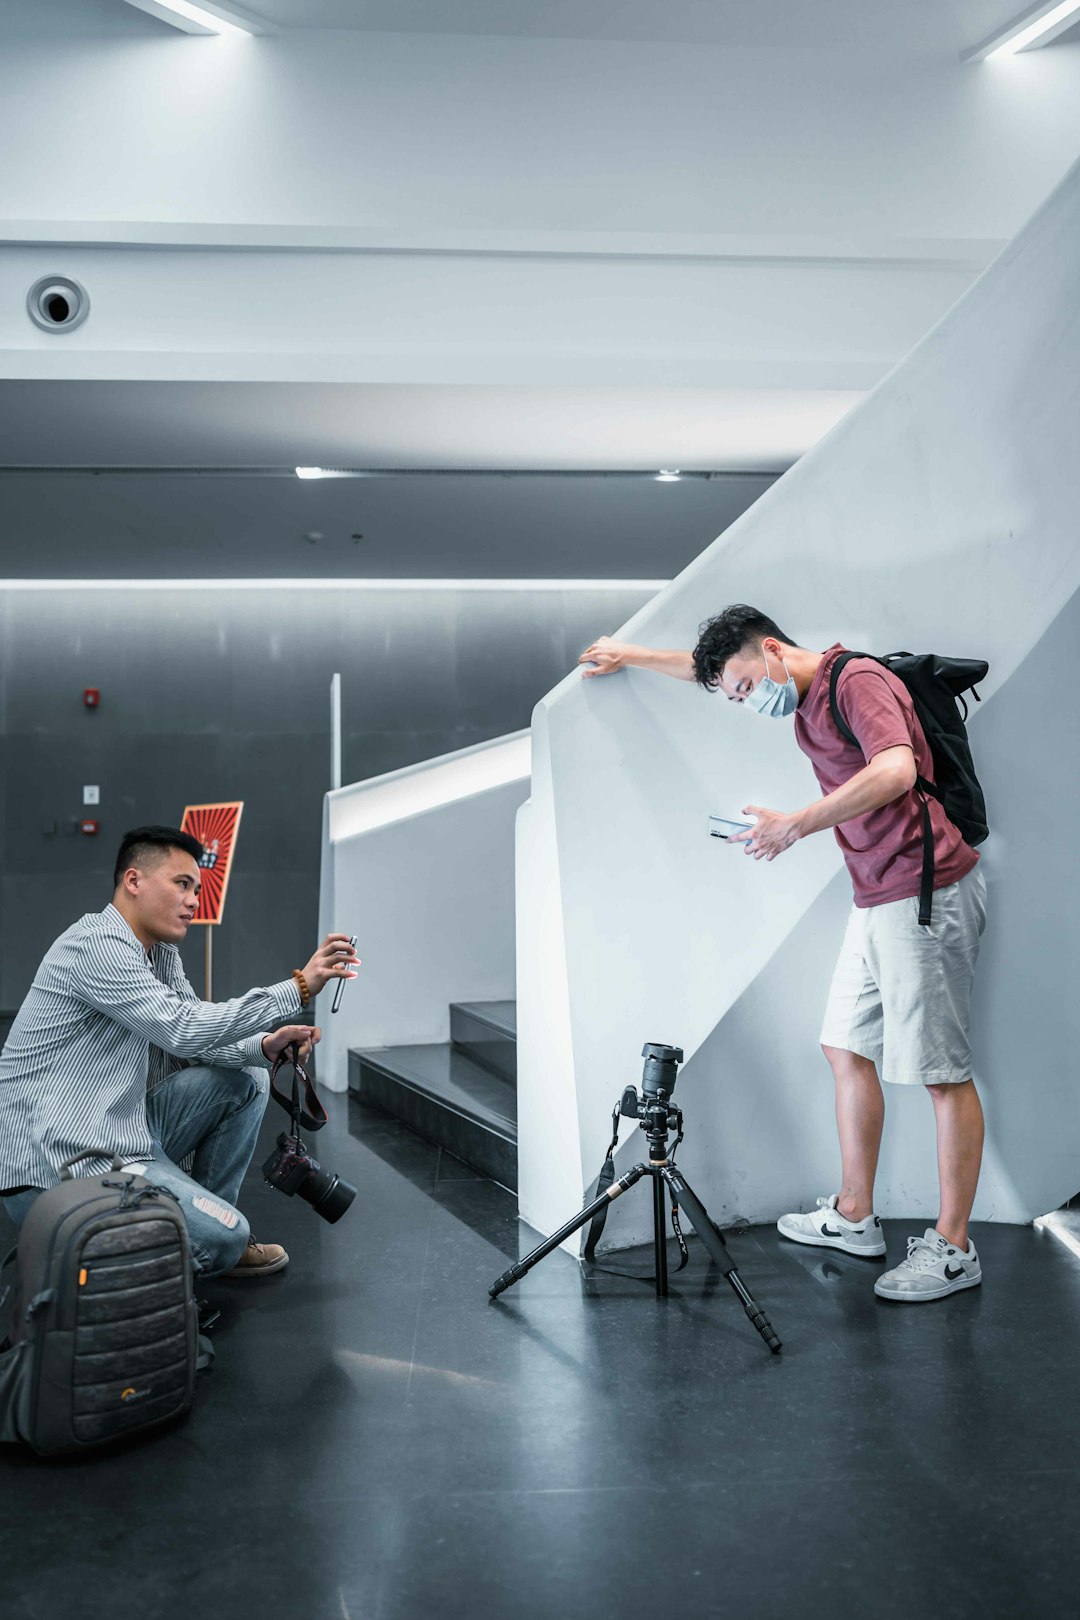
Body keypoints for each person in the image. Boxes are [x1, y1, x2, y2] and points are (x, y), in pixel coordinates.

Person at [580, 605, 988, 1305]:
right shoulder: (798, 692)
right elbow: (706, 668)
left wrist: (796, 823)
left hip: (924, 888)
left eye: (744, 687)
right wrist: (632, 653)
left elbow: (894, 770)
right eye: (734, 697)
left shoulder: (852, 680)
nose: (745, 702)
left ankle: (955, 1247)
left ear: (772, 650)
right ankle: (856, 1216)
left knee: (940, 1073)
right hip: (876, 896)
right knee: (844, 1047)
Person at [0, 825, 360, 1280]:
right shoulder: (96, 945)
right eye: (182, 885)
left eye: (198, 889)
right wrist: (299, 986)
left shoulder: (159, 953)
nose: (194, 901)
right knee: (225, 1238)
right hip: (58, 1170)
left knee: (248, 1078)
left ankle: (203, 1223)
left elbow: (199, 1031)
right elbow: (183, 1031)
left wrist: (265, 1047)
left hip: (121, 1135)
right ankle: (110, 1256)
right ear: (134, 881)